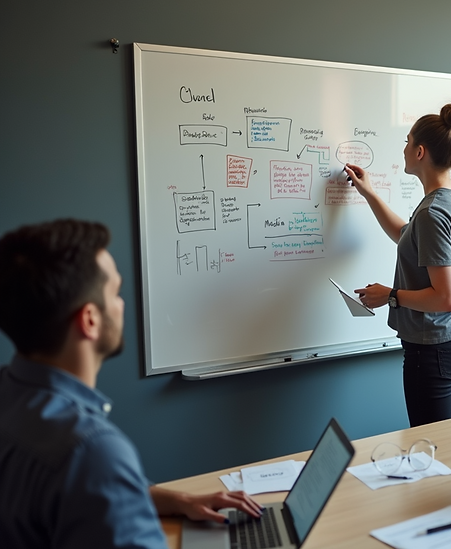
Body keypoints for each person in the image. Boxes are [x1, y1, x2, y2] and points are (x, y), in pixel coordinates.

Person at [0, 219, 263, 549]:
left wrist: (178, 499)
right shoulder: (90, 451)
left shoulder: (11, 395)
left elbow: (74, 494)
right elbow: (90, 476)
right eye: (115, 293)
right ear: (90, 320)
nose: (122, 304)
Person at [345, 103, 451, 427]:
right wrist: (369, 193)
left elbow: (446, 298)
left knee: (431, 446)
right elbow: (406, 235)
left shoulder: (433, 212)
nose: (403, 149)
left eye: (407, 142)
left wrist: (391, 295)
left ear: (419, 152)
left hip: (434, 348)